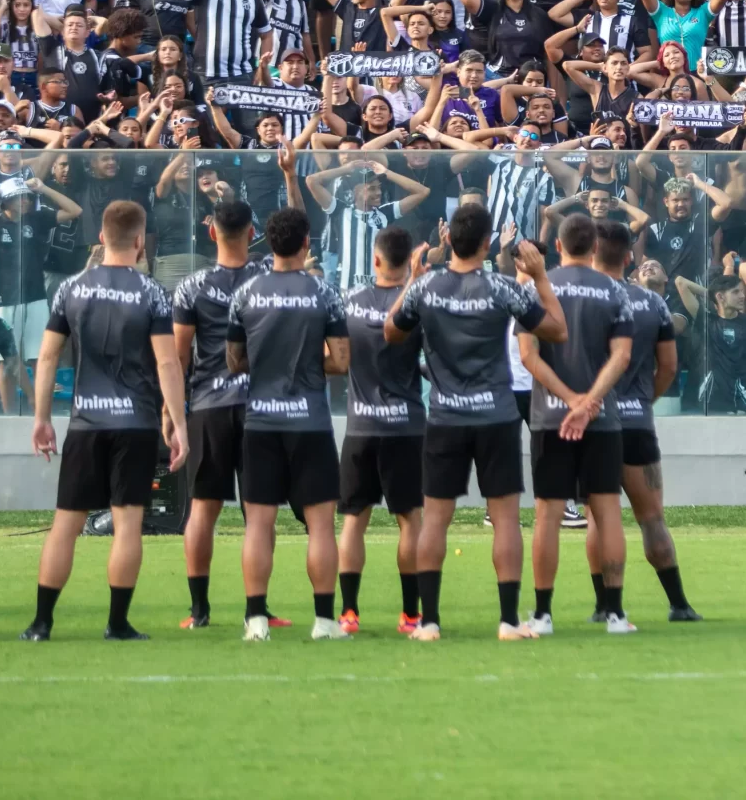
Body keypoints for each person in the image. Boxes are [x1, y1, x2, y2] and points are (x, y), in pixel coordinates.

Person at [382, 200, 566, 641]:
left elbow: (391, 332)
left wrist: (412, 281)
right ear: (487, 244)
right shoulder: (504, 288)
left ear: (449, 240)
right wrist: (540, 275)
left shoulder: (426, 290)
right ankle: (507, 620)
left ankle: (428, 622)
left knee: (436, 520)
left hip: (445, 415)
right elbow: (557, 329)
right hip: (497, 415)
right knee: (505, 520)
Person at [23, 200, 186, 641]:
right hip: (135, 423)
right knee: (128, 522)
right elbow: (168, 364)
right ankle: (117, 624)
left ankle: (41, 623)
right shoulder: (152, 292)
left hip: (85, 423)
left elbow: (48, 357)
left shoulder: (71, 288)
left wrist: (42, 418)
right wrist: (178, 424)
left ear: (101, 236)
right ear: (139, 241)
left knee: (66, 523)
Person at [228, 205, 350, 641]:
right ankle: (324, 621)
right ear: (306, 243)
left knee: (258, 524)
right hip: (310, 421)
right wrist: (312, 367)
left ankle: (256, 619)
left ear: (268, 241)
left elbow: (234, 360)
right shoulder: (325, 293)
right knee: (320, 525)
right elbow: (341, 361)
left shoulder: (245, 293)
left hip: (261, 420)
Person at [519, 211, 635, 635]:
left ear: (562, 245)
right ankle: (616, 614)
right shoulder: (615, 291)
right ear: (596, 248)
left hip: (550, 418)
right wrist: (589, 403)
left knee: (548, 515)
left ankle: (543, 614)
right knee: (607, 514)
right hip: (601, 421)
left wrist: (569, 400)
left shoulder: (535, 287)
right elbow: (621, 357)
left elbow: (528, 357)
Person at [596, 219, 698, 622]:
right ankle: (678, 604)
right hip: (637, 420)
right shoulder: (652, 303)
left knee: (598, 519)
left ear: (591, 253)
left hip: (596, 421)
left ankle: (605, 607)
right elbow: (669, 368)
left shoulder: (581, 296)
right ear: (629, 258)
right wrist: (644, 399)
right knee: (652, 516)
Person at [172, 197, 258, 631]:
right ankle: (255, 611)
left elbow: (178, 355)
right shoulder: (267, 280)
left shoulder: (192, 286)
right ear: (252, 233)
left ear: (211, 232)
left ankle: (199, 611)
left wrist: (172, 416)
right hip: (261, 408)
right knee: (256, 512)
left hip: (207, 407)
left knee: (202, 509)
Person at [335, 223, 426, 635]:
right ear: (408, 261)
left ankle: (349, 612)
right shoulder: (417, 305)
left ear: (375, 259)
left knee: (354, 519)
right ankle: (410, 615)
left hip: (360, 426)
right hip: (406, 426)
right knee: (409, 520)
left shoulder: (348, 302)